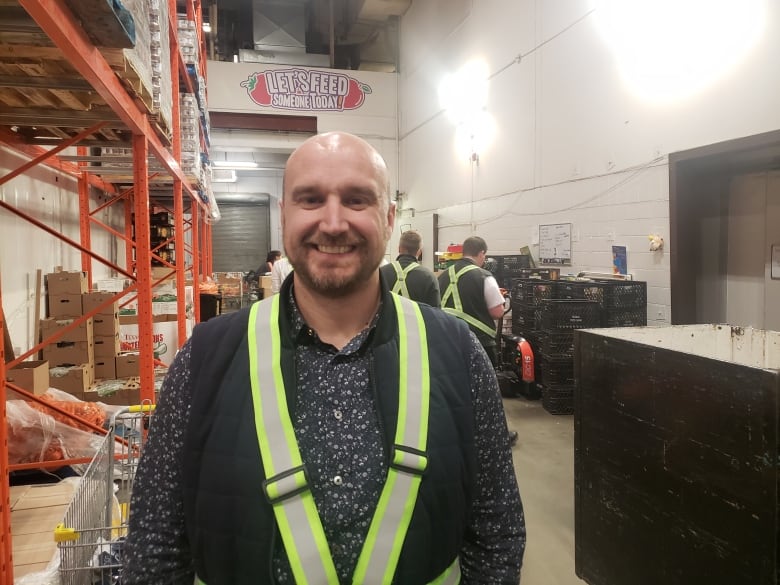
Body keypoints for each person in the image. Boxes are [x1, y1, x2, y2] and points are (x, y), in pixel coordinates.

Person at [123, 132, 525, 585]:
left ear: (388, 219)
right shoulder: (204, 359)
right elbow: (156, 544)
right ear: (284, 214)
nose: (333, 223)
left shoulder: (457, 354)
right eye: (311, 199)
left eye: (356, 200)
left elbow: (497, 532)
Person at [438, 236, 519, 446]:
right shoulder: (484, 276)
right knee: (486, 391)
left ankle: (456, 431)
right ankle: (495, 434)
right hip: (479, 343)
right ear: (481, 253)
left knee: (454, 388)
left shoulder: (443, 275)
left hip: (446, 341)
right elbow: (497, 311)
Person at [380, 229, 441, 307]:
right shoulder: (429, 277)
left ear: (399, 248)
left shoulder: (381, 273)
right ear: (419, 252)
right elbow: (436, 313)